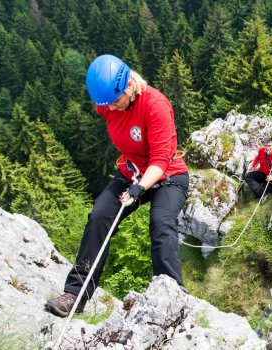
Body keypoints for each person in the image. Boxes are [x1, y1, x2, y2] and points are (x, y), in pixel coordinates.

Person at [45, 55, 189, 317]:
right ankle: (75, 294)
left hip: (167, 176)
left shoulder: (155, 105)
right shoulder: (108, 103)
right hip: (132, 173)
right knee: (100, 215)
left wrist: (140, 188)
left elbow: (159, 160)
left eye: (115, 102)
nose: (110, 109)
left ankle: (172, 296)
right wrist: (134, 183)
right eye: (106, 104)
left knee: (161, 222)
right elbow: (113, 112)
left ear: (129, 86)